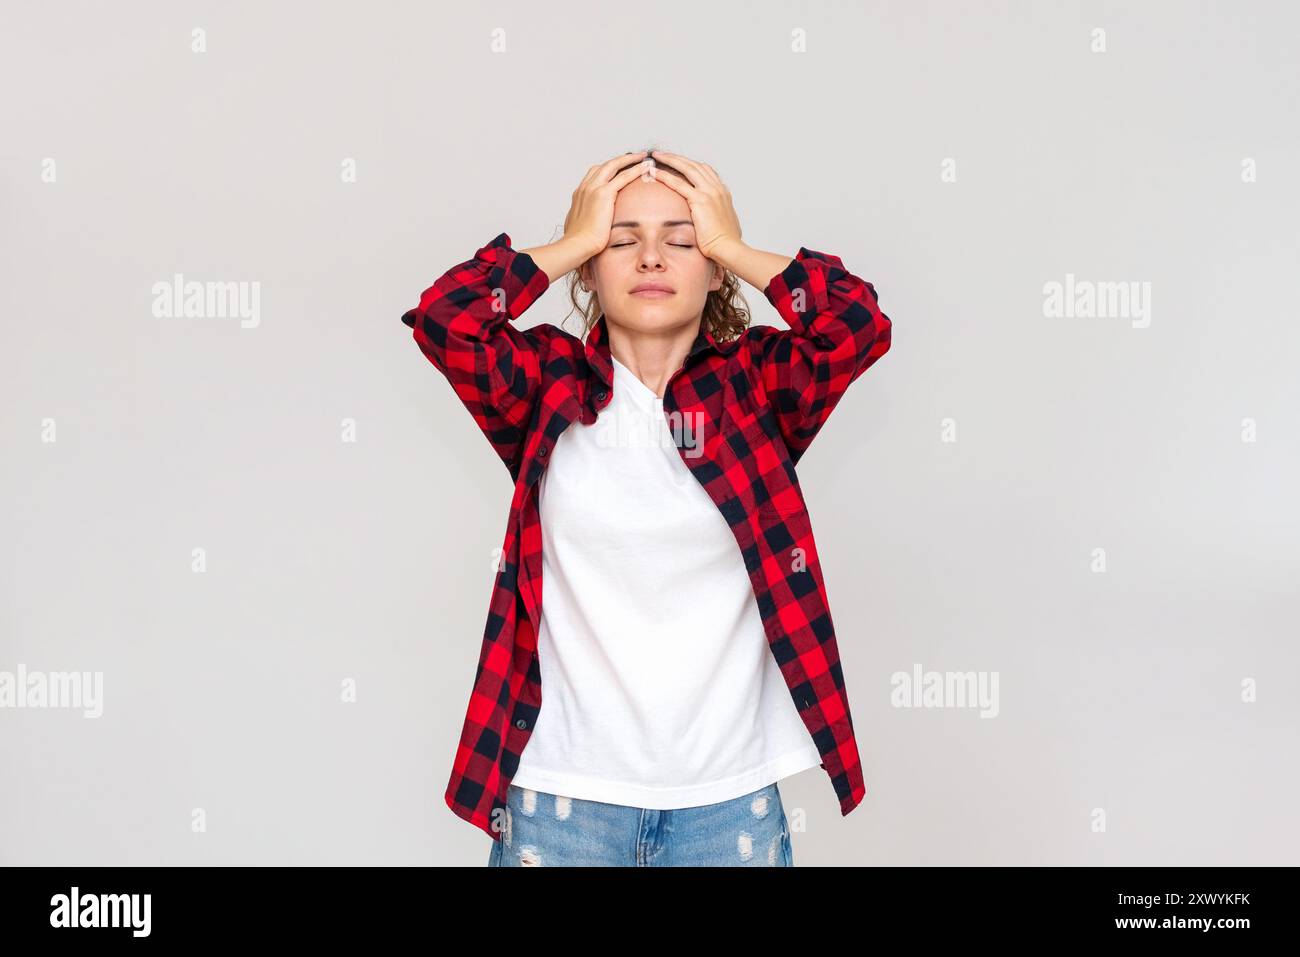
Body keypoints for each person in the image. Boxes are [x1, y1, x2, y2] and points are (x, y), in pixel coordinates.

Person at [400, 147, 893, 866]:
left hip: (728, 804)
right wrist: (568, 243)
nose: (652, 258)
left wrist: (734, 243)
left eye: (683, 240)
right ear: (593, 268)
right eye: (622, 240)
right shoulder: (548, 386)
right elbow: (448, 320)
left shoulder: (753, 388)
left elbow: (857, 325)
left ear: (713, 268)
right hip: (557, 800)